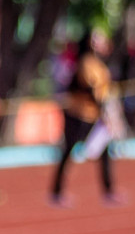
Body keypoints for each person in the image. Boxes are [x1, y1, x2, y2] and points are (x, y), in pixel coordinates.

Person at [49, 29, 120, 207]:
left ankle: (109, 191)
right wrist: (104, 111)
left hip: (93, 115)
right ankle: (56, 192)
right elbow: (90, 88)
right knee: (69, 151)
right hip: (80, 114)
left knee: (104, 152)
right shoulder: (86, 63)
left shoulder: (98, 63)